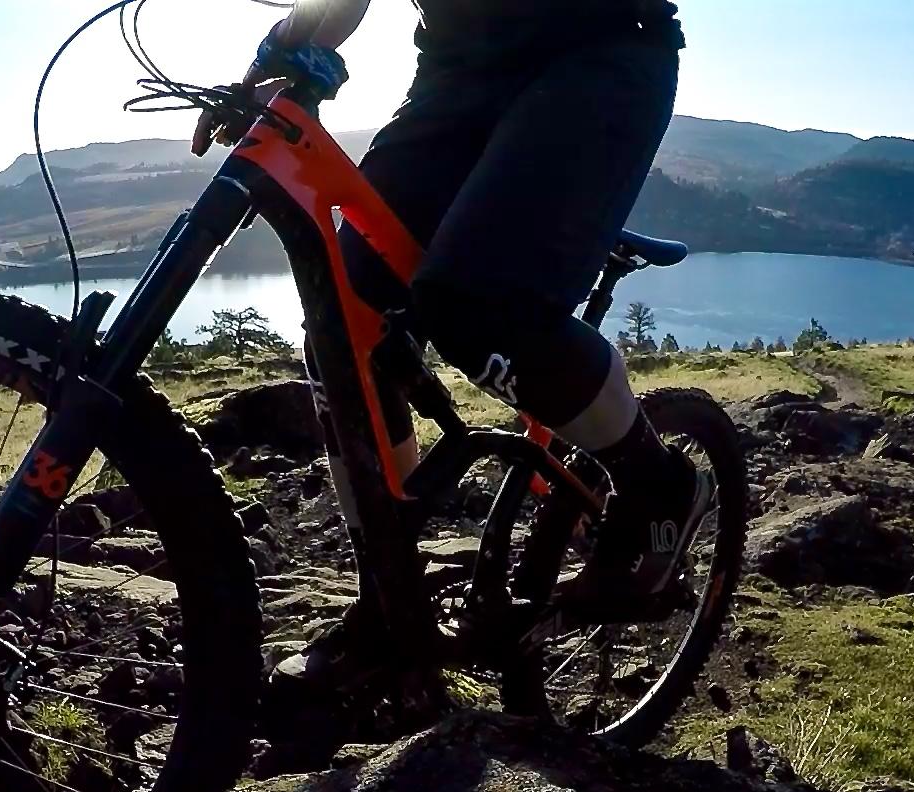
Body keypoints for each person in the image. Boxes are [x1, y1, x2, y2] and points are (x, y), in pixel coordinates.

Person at [197, 0, 703, 660]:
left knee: (481, 310)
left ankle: (658, 483)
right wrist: (269, 56)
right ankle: (388, 596)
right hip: (458, 70)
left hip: (597, 50)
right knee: (340, 322)